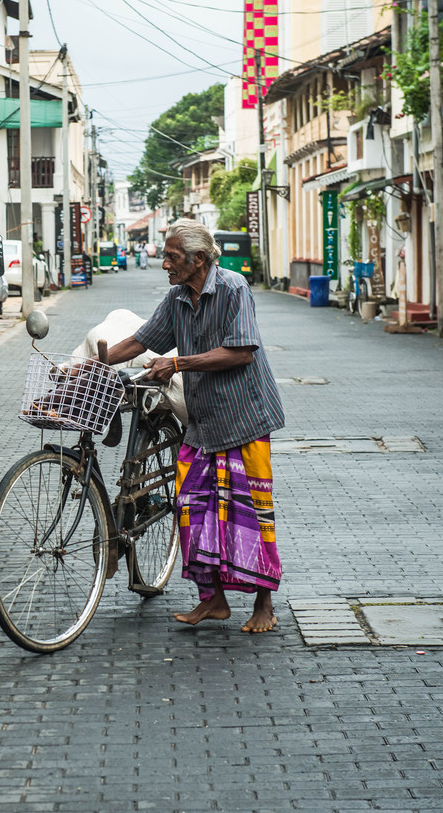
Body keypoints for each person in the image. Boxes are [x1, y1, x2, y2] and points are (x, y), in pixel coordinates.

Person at [104, 219, 284, 634]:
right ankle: (214, 600)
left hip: (245, 420)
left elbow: (240, 353)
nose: (164, 263)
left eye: (172, 257)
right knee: (192, 507)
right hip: (202, 423)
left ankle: (264, 605)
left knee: (250, 515)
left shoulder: (234, 288)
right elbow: (140, 341)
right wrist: (91, 365)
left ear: (198, 260)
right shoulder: (177, 298)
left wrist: (179, 362)